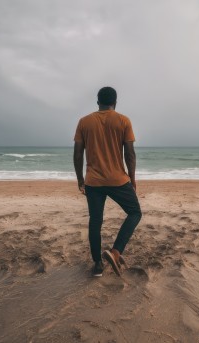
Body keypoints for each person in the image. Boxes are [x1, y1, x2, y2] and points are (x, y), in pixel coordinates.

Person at [73, 86, 142, 277]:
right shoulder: (123, 121)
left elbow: (78, 154)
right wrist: (133, 178)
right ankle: (116, 251)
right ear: (115, 102)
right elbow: (130, 153)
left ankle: (97, 265)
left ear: (97, 102)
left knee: (95, 221)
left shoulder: (84, 122)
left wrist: (80, 179)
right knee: (135, 212)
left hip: (93, 181)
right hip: (118, 180)